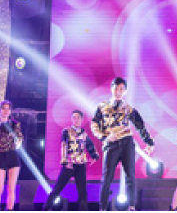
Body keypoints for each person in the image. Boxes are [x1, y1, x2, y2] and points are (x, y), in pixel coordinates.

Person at [91, 77, 154, 211]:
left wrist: (149, 142)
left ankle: (131, 207)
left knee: (130, 177)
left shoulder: (128, 109)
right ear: (111, 89)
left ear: (125, 91)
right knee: (107, 178)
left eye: (121, 89)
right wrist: (104, 137)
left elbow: (140, 125)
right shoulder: (102, 107)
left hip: (126, 143)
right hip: (111, 145)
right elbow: (94, 124)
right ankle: (103, 208)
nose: (118, 92)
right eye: (116, 89)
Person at [44, 110, 99, 211]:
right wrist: (65, 161)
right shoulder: (66, 131)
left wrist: (94, 156)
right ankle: (45, 209)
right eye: (74, 117)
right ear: (71, 119)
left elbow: (90, 145)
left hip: (81, 164)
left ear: (81, 119)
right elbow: (64, 145)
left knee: (82, 192)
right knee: (58, 188)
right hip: (69, 164)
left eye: (78, 118)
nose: (76, 120)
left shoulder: (84, 133)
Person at [0, 100, 22, 211]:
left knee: (11, 188)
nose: (6, 111)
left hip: (12, 155)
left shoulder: (15, 123)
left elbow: (19, 139)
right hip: (0, 156)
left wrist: (16, 141)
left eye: (8, 109)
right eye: (3, 108)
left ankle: (9, 210)